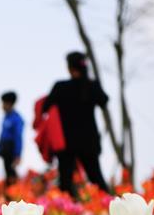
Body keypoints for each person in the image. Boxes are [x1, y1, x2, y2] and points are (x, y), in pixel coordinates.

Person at [42, 52, 111, 197]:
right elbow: (104, 100)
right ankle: (110, 206)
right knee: (96, 177)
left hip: (66, 142)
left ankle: (69, 209)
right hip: (89, 140)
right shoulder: (92, 86)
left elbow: (45, 107)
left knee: (65, 181)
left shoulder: (60, 87)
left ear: (69, 67)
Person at [0, 91, 24, 186]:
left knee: (11, 174)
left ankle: (14, 193)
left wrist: (17, 154)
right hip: (5, 150)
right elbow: (2, 135)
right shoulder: (5, 118)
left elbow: (18, 137)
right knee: (7, 172)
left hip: (11, 150)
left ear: (9, 104)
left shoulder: (17, 119)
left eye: (3, 103)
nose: (2, 106)